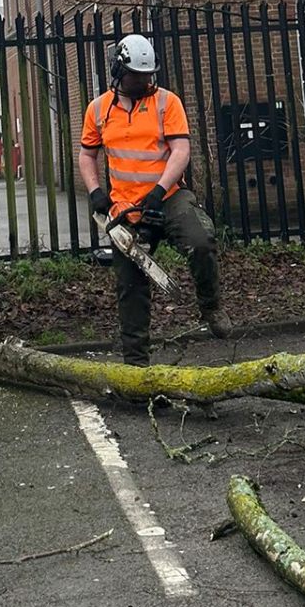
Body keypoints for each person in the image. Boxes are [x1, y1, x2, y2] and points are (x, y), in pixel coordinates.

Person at [78, 33, 233, 364]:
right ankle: (136, 366)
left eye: (147, 75)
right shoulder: (98, 109)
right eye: (137, 76)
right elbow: (87, 155)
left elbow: (181, 150)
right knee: (130, 289)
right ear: (120, 71)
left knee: (200, 240)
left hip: (169, 196)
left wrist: (160, 190)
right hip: (124, 207)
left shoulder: (167, 102)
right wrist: (95, 192)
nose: (143, 81)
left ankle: (211, 305)